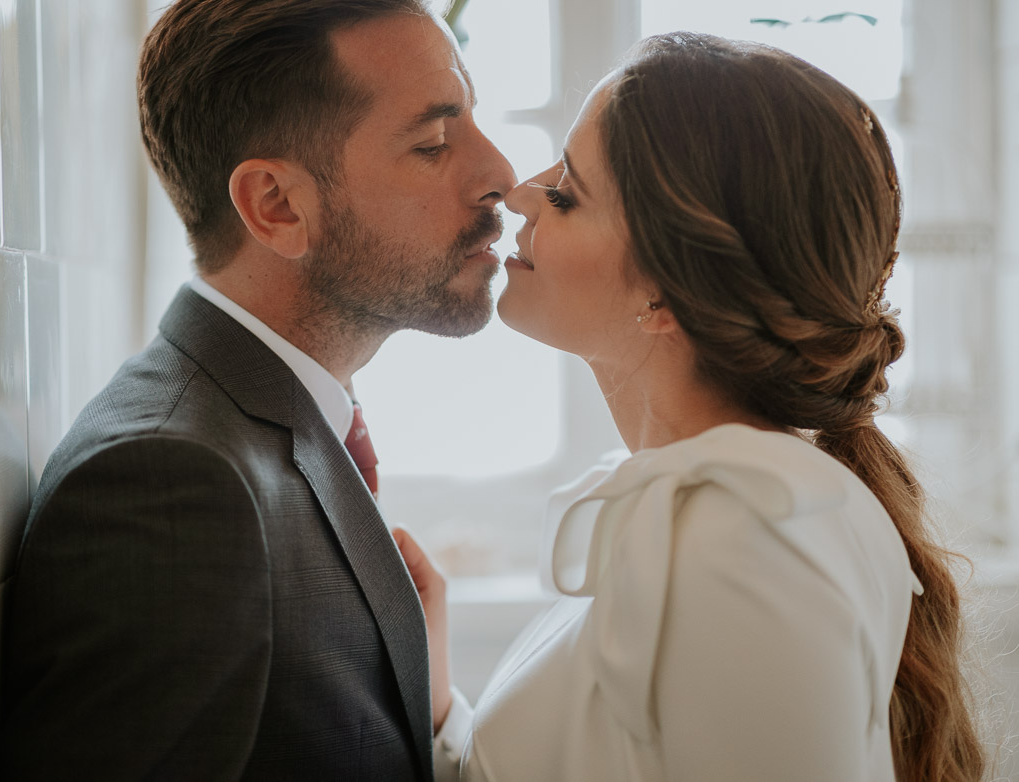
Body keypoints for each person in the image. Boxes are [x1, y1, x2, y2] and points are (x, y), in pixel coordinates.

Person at [396, 32, 986, 782]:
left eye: (569, 193)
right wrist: (439, 700)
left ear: (669, 291)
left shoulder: (747, 535)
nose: (517, 192)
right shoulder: (688, 508)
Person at [0, 0, 514, 779]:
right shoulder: (171, 485)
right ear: (276, 206)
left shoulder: (269, 424)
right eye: (433, 142)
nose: (500, 174)